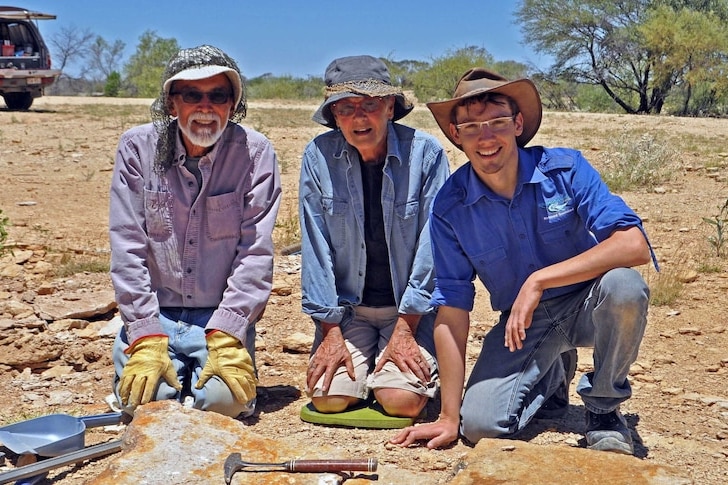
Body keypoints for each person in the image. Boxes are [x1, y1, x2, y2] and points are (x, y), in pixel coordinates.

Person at [391, 68, 657, 454]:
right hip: (524, 323)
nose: (486, 137)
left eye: (497, 122)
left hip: (589, 304)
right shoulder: (450, 207)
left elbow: (633, 245)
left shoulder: (565, 170)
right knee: (480, 426)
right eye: (471, 127)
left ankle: (603, 410)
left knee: (625, 287)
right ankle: (550, 375)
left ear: (517, 124)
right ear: (455, 134)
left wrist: (539, 280)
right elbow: (451, 309)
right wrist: (449, 416)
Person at [108, 44, 282, 418]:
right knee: (145, 404)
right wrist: (145, 332)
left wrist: (228, 329)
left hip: (219, 317)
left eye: (218, 95)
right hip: (157, 313)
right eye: (192, 95)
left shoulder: (255, 153)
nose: (206, 107)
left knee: (224, 405)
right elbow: (127, 246)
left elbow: (255, 252)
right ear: (172, 104)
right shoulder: (137, 148)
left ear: (233, 104)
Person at [299, 55, 450, 419]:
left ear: (389, 108)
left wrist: (405, 329)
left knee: (399, 402)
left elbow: (435, 246)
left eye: (370, 104)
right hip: (350, 313)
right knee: (328, 399)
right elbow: (315, 248)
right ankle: (370, 368)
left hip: (411, 310)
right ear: (334, 115)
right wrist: (330, 331)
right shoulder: (318, 156)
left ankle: (403, 370)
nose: (359, 117)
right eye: (346, 107)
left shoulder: (426, 154)